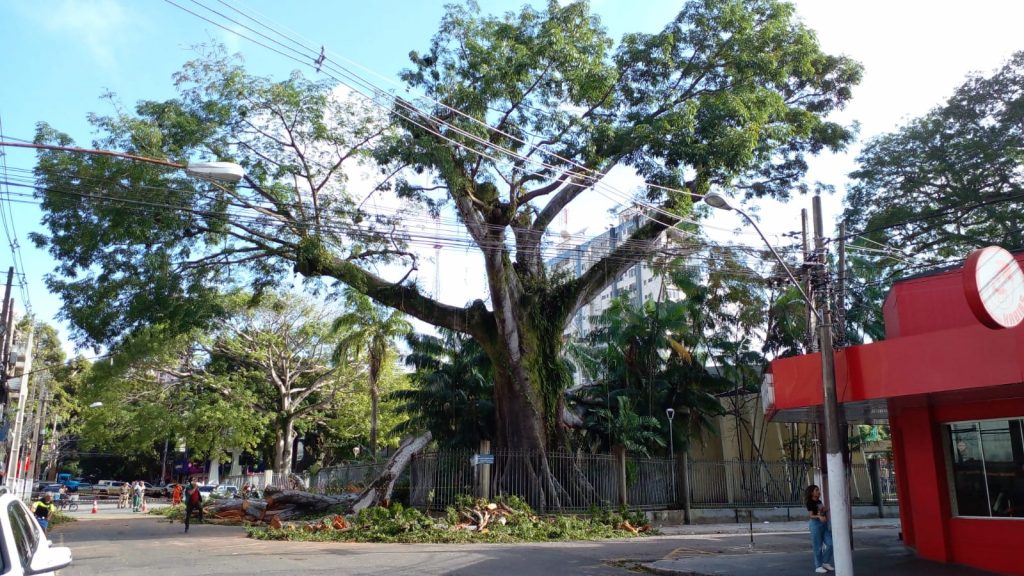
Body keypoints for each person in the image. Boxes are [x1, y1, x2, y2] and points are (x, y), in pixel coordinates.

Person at [805, 484, 835, 573]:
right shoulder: (809, 502)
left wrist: (831, 507)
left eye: (818, 490)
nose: (819, 492)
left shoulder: (819, 501)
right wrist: (819, 516)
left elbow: (822, 510)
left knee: (831, 543)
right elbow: (810, 515)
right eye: (816, 490)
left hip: (824, 524)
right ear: (811, 493)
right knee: (817, 547)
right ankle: (818, 566)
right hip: (815, 525)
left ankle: (825, 562)